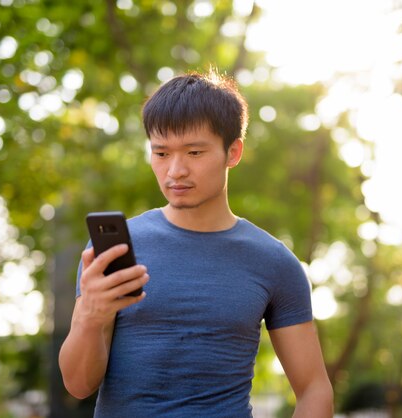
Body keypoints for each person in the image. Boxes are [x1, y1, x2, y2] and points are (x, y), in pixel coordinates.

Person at [59, 70, 333, 417]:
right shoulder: (117, 249)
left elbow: (314, 389)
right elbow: (78, 384)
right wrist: (89, 317)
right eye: (161, 153)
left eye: (194, 152)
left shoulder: (274, 262)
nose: (175, 171)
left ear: (233, 152)